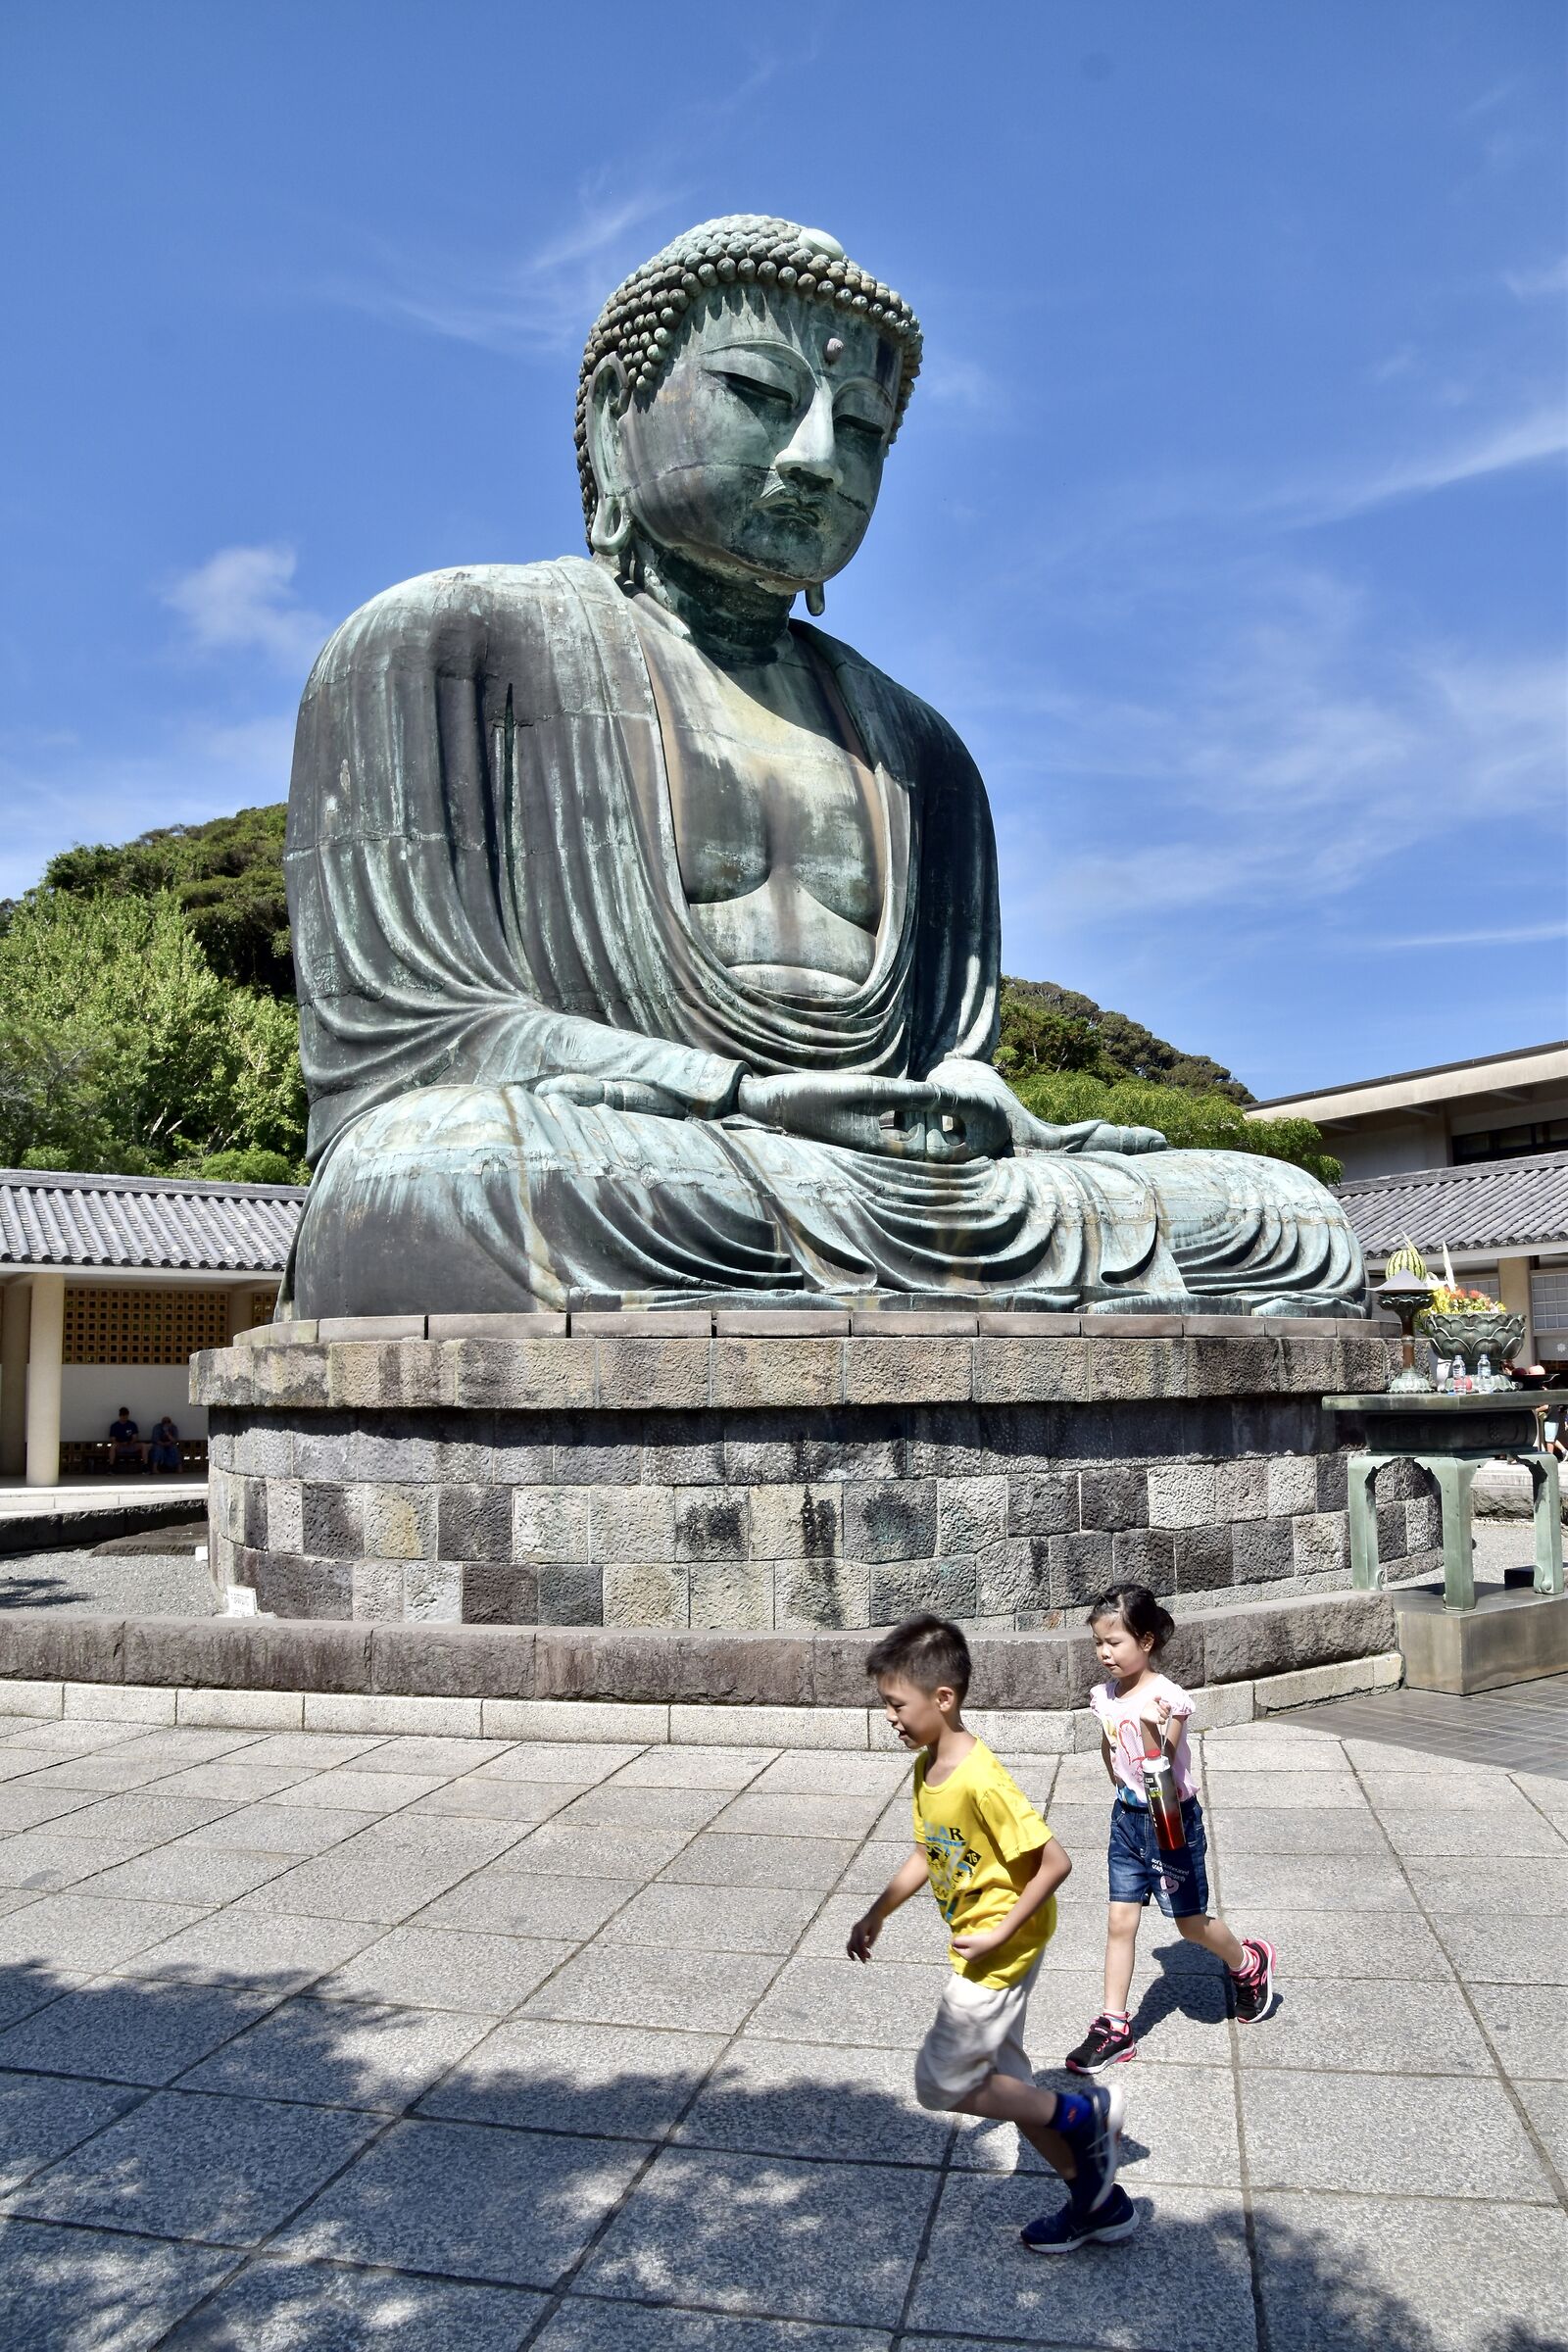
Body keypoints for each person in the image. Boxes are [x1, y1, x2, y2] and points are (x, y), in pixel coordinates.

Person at [281, 213, 1368, 1321]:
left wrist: (970, 1101)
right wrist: (741, 1092)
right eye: (759, 396)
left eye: (859, 430)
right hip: (637, 1156)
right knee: (442, 1170)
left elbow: (945, 1054)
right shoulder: (443, 647)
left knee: (1281, 1212)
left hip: (873, 1179)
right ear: (617, 416)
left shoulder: (919, 748)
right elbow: (413, 1040)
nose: (814, 458)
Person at [847, 1614, 1137, 2254]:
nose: (890, 1717)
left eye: (896, 1704)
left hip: (998, 1953)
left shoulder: (981, 1777)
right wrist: (877, 1912)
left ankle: (1084, 2114)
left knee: (942, 2083)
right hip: (990, 1943)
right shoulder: (930, 1767)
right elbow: (928, 1852)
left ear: (942, 1699)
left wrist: (1000, 1930)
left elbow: (1055, 1861)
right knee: (1008, 2086)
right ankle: (1099, 2203)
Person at [1065, 1585, 1277, 2074]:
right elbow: (1110, 1749)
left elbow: (1160, 1764)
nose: (1104, 1653)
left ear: (1145, 1641)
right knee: (1120, 1922)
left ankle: (1247, 1962)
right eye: (1099, 1643)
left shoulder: (1168, 1699)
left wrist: (1150, 1726)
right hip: (1127, 1820)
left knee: (1188, 1923)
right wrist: (1119, 1787)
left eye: (1114, 1642)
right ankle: (1114, 2025)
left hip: (1170, 1823)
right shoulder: (1105, 1695)